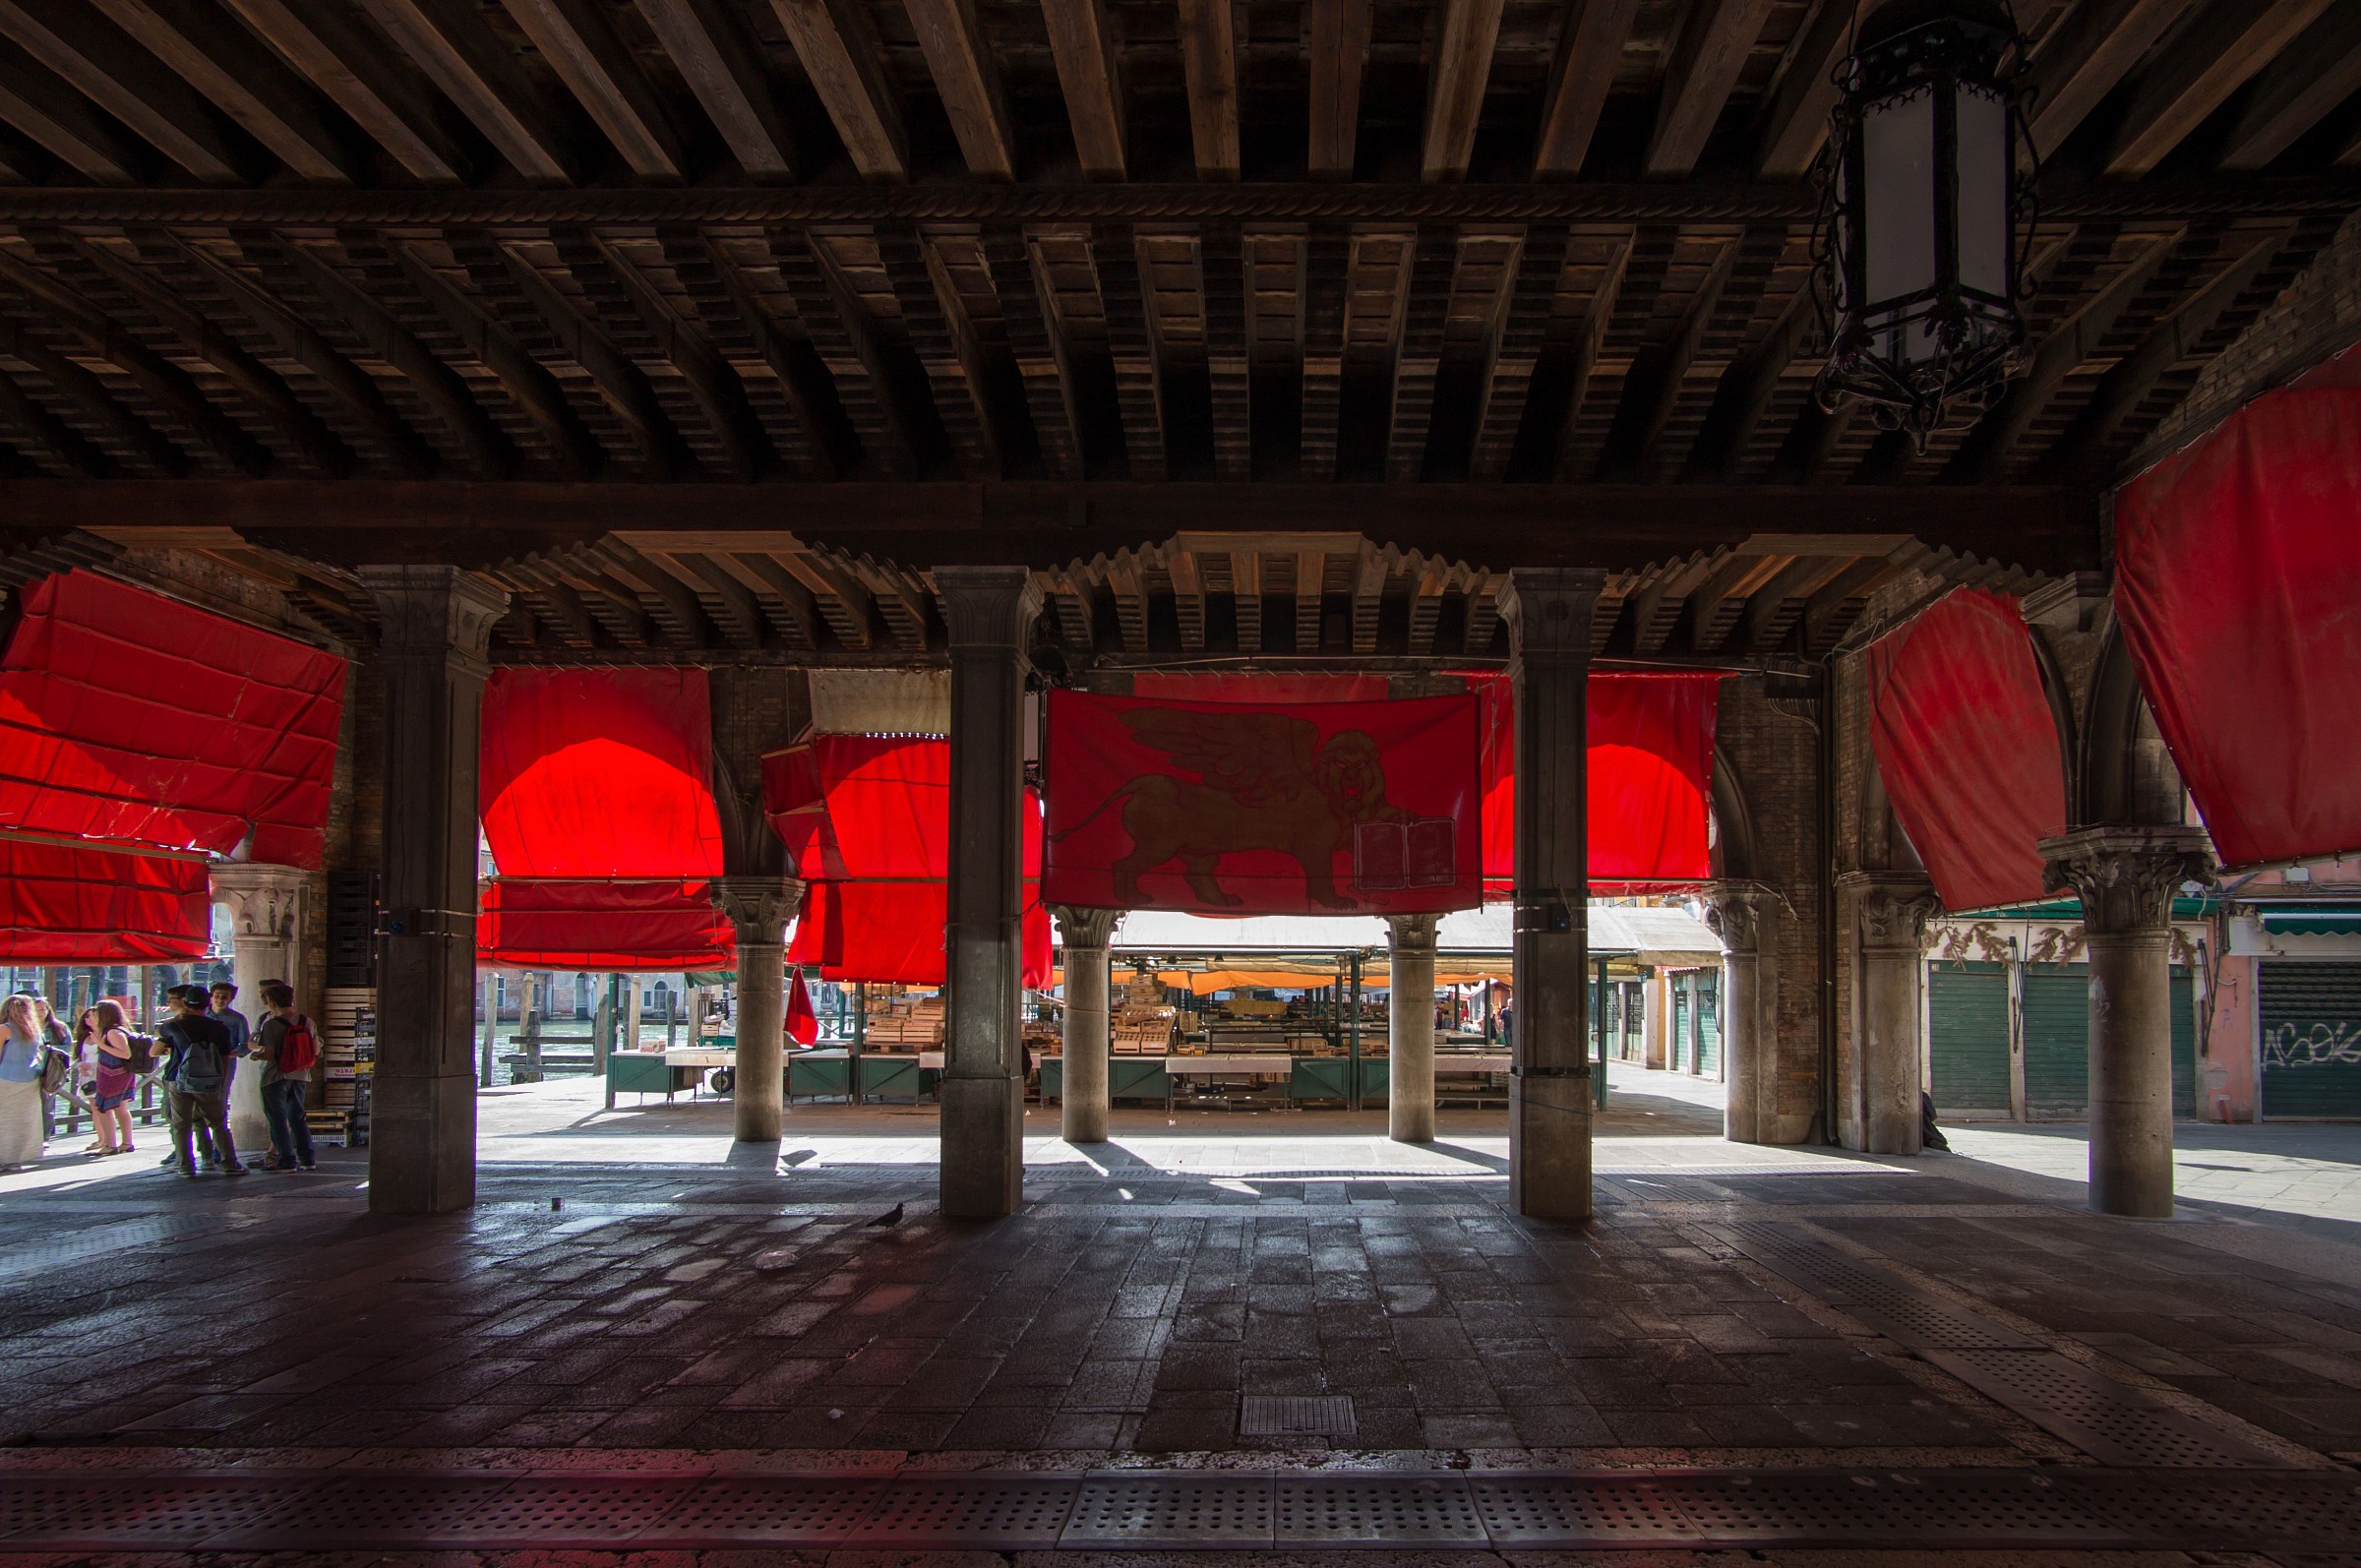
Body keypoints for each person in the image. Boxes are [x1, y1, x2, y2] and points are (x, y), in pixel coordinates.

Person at [158, 985, 243, 1178]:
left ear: (185, 1003)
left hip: (178, 1080)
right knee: (218, 1123)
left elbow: (157, 1042)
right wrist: (220, 1083)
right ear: (207, 1004)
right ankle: (230, 1163)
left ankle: (186, 1166)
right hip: (208, 1081)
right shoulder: (218, 1028)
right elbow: (224, 1057)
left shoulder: (173, 1026)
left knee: (181, 1125)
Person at [251, 980, 316, 1173]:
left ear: (272, 1002)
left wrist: (257, 1055)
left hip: (276, 1077)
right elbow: (316, 1049)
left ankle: (286, 1160)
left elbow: (269, 1054)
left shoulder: (271, 1025)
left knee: (277, 1119)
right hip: (301, 1075)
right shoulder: (307, 1021)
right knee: (297, 1117)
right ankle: (308, 1159)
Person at [78, 1003, 137, 1158]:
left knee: (104, 1107)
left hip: (113, 1073)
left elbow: (125, 1054)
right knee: (121, 1109)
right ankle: (126, 1143)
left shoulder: (113, 1032)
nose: (94, 1016)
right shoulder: (119, 1029)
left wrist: (101, 1044)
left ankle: (110, 1145)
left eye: (97, 1013)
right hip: (120, 1073)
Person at [0, 994, 49, 1173]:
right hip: (30, 1079)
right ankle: (14, 1159)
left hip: (5, 1078)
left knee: (3, 1119)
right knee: (21, 1121)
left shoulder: (5, 1029)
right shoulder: (36, 1031)